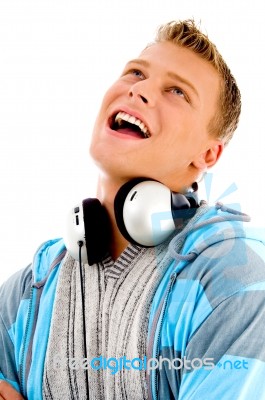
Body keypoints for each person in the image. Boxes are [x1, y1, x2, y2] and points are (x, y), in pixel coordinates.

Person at [1, 19, 265, 400]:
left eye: (177, 91)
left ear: (208, 154)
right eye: (135, 72)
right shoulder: (26, 295)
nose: (139, 90)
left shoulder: (237, 279)